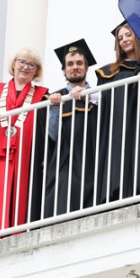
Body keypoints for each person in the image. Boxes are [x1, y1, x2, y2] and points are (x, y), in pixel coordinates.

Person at [0, 47, 48, 231]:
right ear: (13, 64)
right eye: (22, 62)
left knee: (24, 193)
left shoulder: (43, 95)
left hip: (27, 157)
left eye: (31, 65)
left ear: (36, 71)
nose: (25, 67)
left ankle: (20, 232)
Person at [94, 22, 140, 203]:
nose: (124, 40)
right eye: (120, 38)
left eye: (128, 35)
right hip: (121, 124)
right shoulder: (111, 72)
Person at [45, 38, 100, 218]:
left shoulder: (99, 94)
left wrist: (87, 97)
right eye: (70, 64)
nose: (75, 67)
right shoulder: (56, 97)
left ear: (86, 67)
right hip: (65, 161)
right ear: (64, 70)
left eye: (79, 63)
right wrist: (55, 108)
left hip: (94, 158)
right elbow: (52, 136)